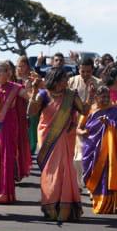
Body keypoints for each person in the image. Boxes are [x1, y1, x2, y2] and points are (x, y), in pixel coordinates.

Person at [28, 66, 91, 222]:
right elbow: (31, 112)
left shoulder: (71, 95)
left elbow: (83, 110)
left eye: (66, 79)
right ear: (54, 80)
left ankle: (65, 208)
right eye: (63, 79)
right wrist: (34, 92)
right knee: (49, 171)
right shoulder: (43, 95)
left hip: (65, 137)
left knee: (64, 170)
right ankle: (51, 205)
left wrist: (91, 96)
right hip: (47, 137)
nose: (66, 81)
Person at [79, 86, 117, 214]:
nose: (105, 99)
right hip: (91, 148)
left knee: (107, 175)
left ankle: (107, 203)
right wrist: (83, 131)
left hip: (109, 150)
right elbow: (78, 128)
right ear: (96, 97)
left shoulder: (115, 111)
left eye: (107, 96)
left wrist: (110, 123)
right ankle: (96, 199)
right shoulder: (90, 111)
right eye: (102, 96)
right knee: (90, 173)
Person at [0, 61, 31, 204]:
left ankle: (7, 193)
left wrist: (33, 88)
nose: (9, 73)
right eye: (5, 70)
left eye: (8, 70)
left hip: (9, 125)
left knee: (7, 158)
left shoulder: (15, 88)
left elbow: (29, 97)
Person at [68, 58, 101, 189]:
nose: (85, 74)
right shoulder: (72, 81)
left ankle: (89, 181)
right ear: (78, 69)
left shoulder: (99, 83)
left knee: (91, 153)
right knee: (76, 156)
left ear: (93, 70)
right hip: (74, 121)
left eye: (88, 71)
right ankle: (77, 183)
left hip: (93, 123)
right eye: (83, 71)